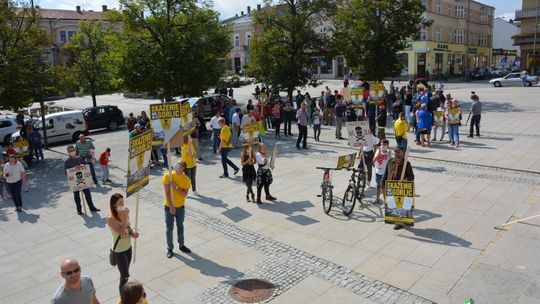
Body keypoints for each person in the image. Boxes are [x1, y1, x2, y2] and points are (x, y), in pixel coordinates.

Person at [107, 193, 139, 293]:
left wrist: (133, 233)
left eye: (123, 202)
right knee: (125, 276)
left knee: (125, 274)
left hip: (128, 247)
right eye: (120, 203)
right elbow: (121, 232)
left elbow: (127, 228)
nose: (122, 204)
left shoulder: (124, 214)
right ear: (114, 205)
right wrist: (125, 217)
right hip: (119, 251)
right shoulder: (110, 218)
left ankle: (125, 295)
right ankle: (124, 298)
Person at [381, 146, 414, 230]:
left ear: (402, 153)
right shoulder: (390, 161)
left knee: (400, 205)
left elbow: (411, 177)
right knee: (392, 205)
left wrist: (404, 181)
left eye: (398, 152)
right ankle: (395, 220)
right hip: (390, 187)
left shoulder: (407, 163)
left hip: (400, 188)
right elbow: (386, 173)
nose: (396, 153)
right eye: (395, 152)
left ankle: (399, 222)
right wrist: (382, 184)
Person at [163, 161, 192, 258]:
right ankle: (170, 248)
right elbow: (167, 193)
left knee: (180, 226)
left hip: (180, 207)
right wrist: (171, 206)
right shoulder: (168, 176)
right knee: (169, 228)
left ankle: (181, 245)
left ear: (183, 168)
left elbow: (184, 194)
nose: (176, 165)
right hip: (169, 206)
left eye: (179, 165)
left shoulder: (186, 179)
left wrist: (175, 186)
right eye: (177, 164)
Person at [64, 145, 100, 215]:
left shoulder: (79, 158)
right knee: (77, 196)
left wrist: (82, 166)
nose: (73, 152)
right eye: (71, 151)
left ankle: (92, 208)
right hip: (74, 182)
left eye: (73, 150)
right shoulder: (67, 162)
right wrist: (74, 168)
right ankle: (79, 210)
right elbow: (66, 172)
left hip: (83, 180)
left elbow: (85, 166)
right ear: (68, 152)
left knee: (88, 194)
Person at [373, 139, 390, 204]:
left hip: (385, 173)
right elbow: (373, 160)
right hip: (378, 172)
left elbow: (390, 162)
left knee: (384, 187)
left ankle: (386, 201)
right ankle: (377, 199)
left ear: (387, 145)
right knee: (378, 186)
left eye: (384, 145)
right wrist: (378, 154)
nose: (383, 146)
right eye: (382, 144)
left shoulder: (389, 152)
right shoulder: (378, 151)